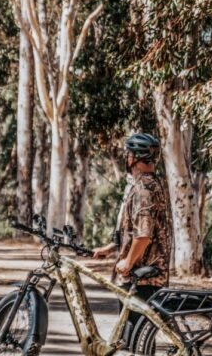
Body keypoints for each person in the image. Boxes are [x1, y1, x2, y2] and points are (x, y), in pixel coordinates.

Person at [92, 133, 171, 332]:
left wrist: (127, 262)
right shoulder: (151, 184)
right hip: (142, 275)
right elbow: (139, 229)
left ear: (133, 157)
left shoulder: (143, 189)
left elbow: (143, 235)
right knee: (133, 340)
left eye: (128, 154)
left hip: (142, 277)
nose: (126, 157)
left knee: (132, 340)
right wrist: (111, 248)